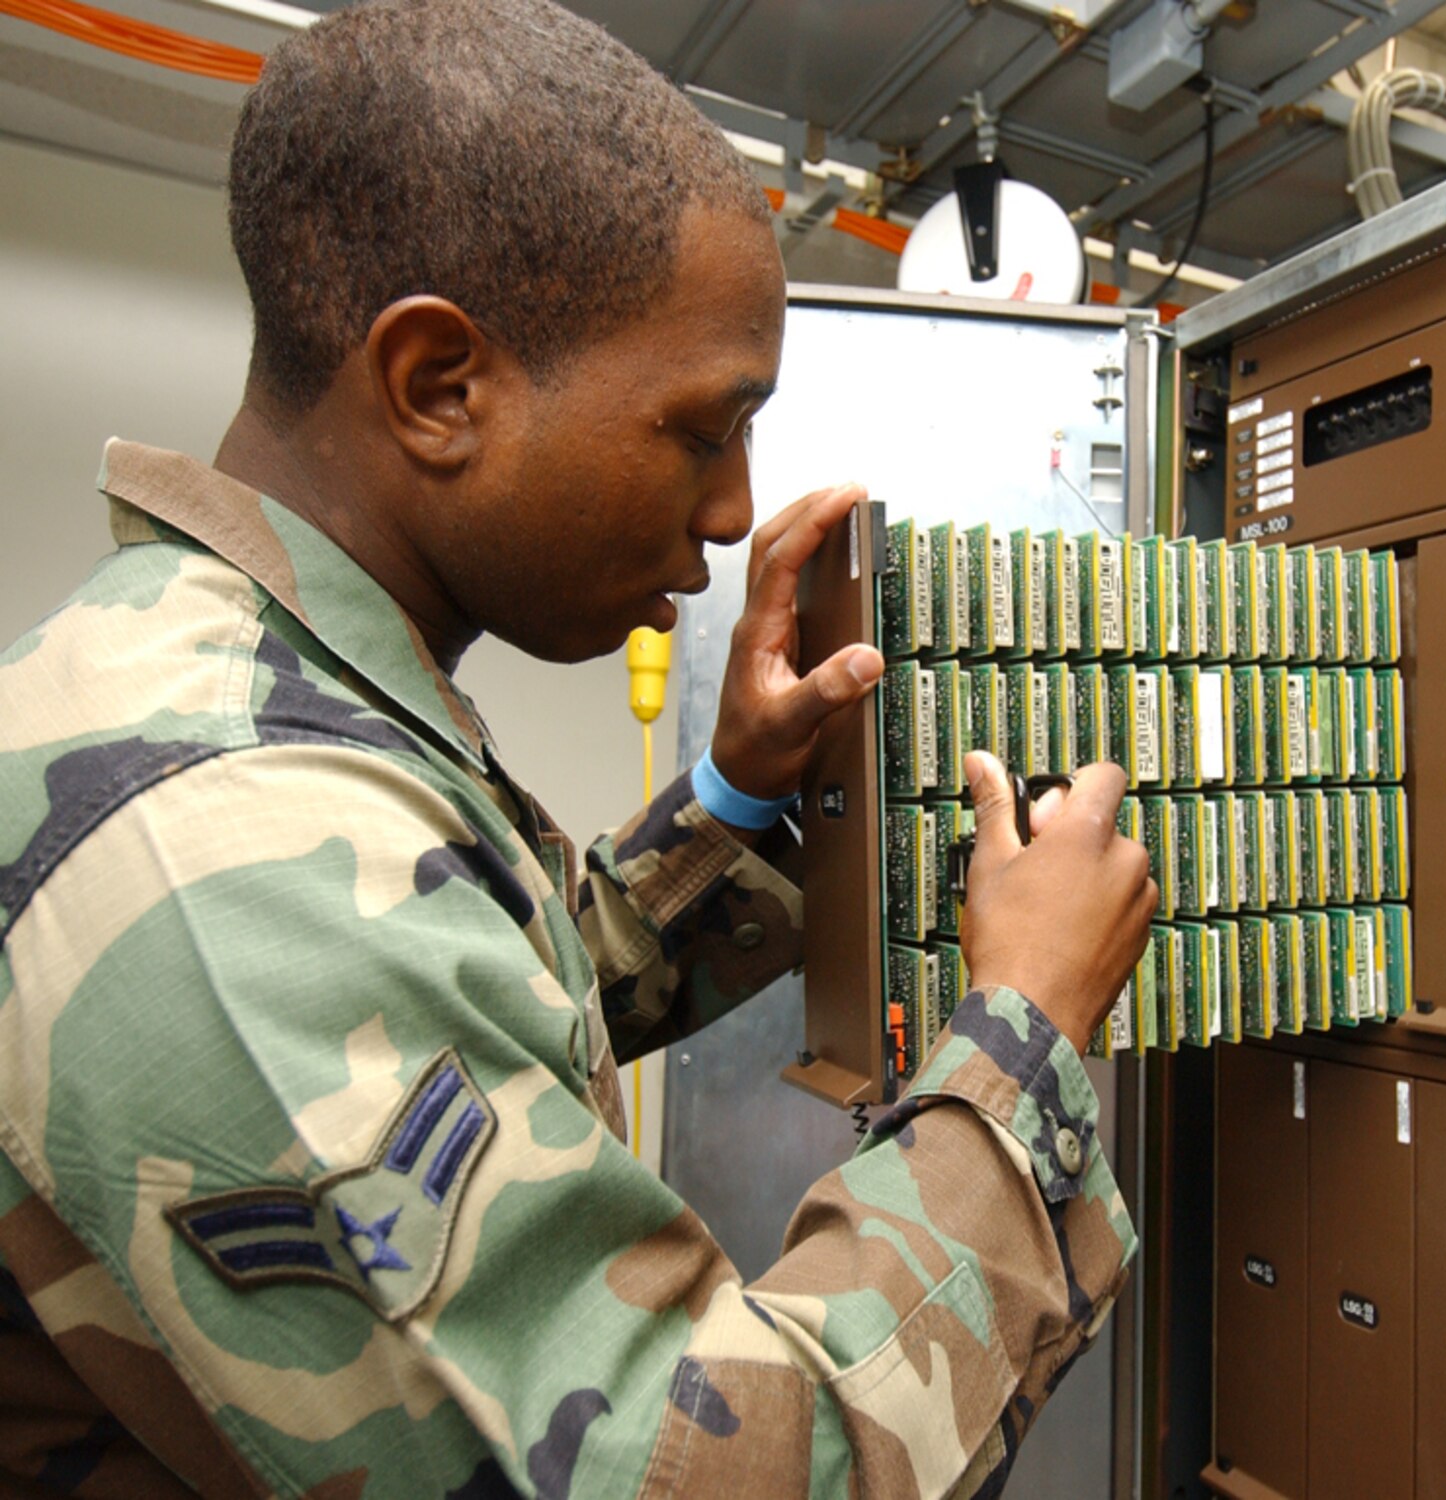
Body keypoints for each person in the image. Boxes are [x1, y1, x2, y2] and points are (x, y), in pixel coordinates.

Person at [0, 0, 1156, 1493]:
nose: (736, 508)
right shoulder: (212, 848)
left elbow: (475, 1007)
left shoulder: (266, 697)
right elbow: (706, 1471)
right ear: (439, 387)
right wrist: (1027, 1038)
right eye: (701, 426)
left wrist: (736, 800)